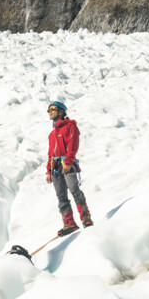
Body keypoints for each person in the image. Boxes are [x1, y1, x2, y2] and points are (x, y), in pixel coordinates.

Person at [46, 101, 93, 236]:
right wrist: (48, 171)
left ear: (61, 111)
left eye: (53, 109)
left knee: (74, 190)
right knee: (61, 196)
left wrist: (68, 161)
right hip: (55, 167)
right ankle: (69, 223)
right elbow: (50, 154)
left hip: (67, 164)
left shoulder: (70, 126)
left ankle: (86, 218)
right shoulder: (52, 134)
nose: (50, 111)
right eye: (49, 110)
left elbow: (73, 145)